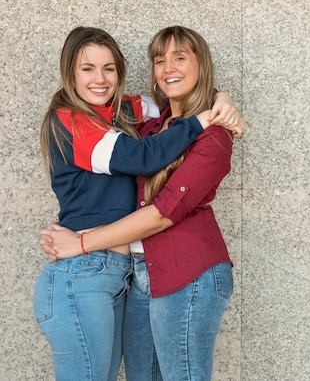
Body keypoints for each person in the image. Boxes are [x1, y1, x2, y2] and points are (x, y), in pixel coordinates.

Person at [34, 26, 243, 381]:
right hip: (85, 271)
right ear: (69, 71)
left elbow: (173, 95)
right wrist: (204, 117)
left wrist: (221, 99)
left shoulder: (128, 111)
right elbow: (142, 158)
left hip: (126, 273)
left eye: (109, 68)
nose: (100, 79)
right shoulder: (72, 121)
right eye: (87, 68)